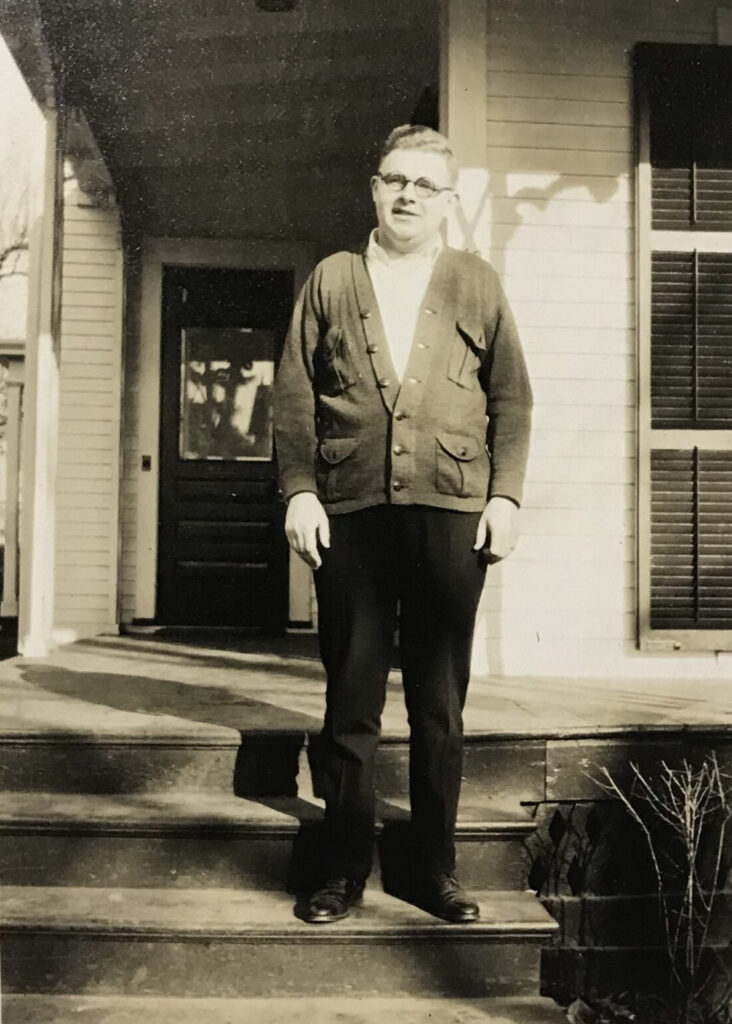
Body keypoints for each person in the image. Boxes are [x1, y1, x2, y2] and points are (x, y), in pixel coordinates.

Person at [273, 124, 532, 925]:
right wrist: (298, 492)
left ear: (449, 200)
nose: (408, 195)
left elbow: (511, 399)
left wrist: (508, 497)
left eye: (425, 184)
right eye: (396, 180)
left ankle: (433, 870)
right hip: (349, 513)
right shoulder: (333, 278)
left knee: (438, 705)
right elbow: (292, 395)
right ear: (374, 189)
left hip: (454, 516)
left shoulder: (475, 282)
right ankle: (342, 869)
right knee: (350, 702)